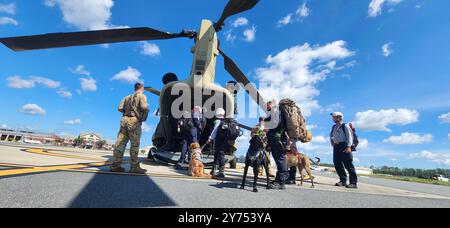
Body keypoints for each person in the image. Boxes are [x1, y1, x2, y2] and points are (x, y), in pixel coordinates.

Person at [111, 82, 149, 174]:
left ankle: (115, 165)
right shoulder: (142, 96)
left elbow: (119, 108)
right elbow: (144, 107)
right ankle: (134, 166)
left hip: (124, 119)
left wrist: (127, 111)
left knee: (120, 143)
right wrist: (144, 113)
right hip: (134, 121)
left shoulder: (127, 97)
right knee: (134, 144)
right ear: (142, 88)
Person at [264, 100, 288, 190]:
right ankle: (280, 180)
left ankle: (281, 183)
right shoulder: (275, 110)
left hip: (277, 139)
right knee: (280, 159)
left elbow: (276, 123)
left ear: (270, 103)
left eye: (266, 104)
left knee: (280, 159)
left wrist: (267, 128)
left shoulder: (275, 110)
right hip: (276, 139)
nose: (265, 106)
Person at [330, 112, 358, 189]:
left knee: (348, 164)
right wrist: (332, 141)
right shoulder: (334, 127)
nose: (334, 119)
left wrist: (349, 146)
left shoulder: (345, 126)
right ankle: (343, 181)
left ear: (340, 117)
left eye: (336, 117)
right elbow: (331, 135)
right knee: (337, 164)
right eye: (333, 117)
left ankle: (353, 183)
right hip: (336, 146)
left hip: (344, 146)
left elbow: (350, 137)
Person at [207, 108, 227, 178]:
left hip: (219, 141)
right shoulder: (226, 121)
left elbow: (214, 131)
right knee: (217, 154)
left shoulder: (217, 121)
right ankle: (213, 169)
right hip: (225, 141)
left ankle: (221, 172)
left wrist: (210, 138)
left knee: (220, 155)